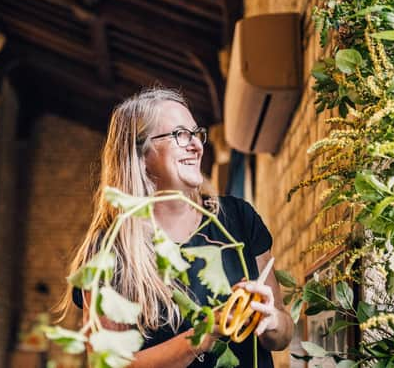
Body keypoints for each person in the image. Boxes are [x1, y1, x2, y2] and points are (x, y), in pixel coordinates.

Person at [57, 87, 293, 367]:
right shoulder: (110, 249)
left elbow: (282, 337)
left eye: (196, 133)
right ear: (139, 153)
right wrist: (204, 334)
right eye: (180, 134)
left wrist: (271, 318)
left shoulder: (237, 219)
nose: (196, 145)